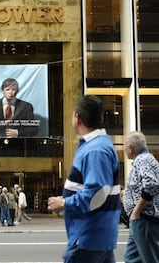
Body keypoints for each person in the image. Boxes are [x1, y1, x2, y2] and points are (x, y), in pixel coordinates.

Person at [47, 95, 121, 263]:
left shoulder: (95, 150)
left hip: (89, 235)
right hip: (97, 235)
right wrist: (66, 199)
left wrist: (65, 203)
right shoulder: (97, 146)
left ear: (77, 117)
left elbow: (97, 193)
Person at [122, 131, 159, 263]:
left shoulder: (143, 160)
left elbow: (151, 185)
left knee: (150, 259)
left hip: (144, 219)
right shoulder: (145, 159)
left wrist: (136, 212)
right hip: (140, 219)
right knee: (131, 258)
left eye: (125, 146)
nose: (124, 149)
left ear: (130, 148)